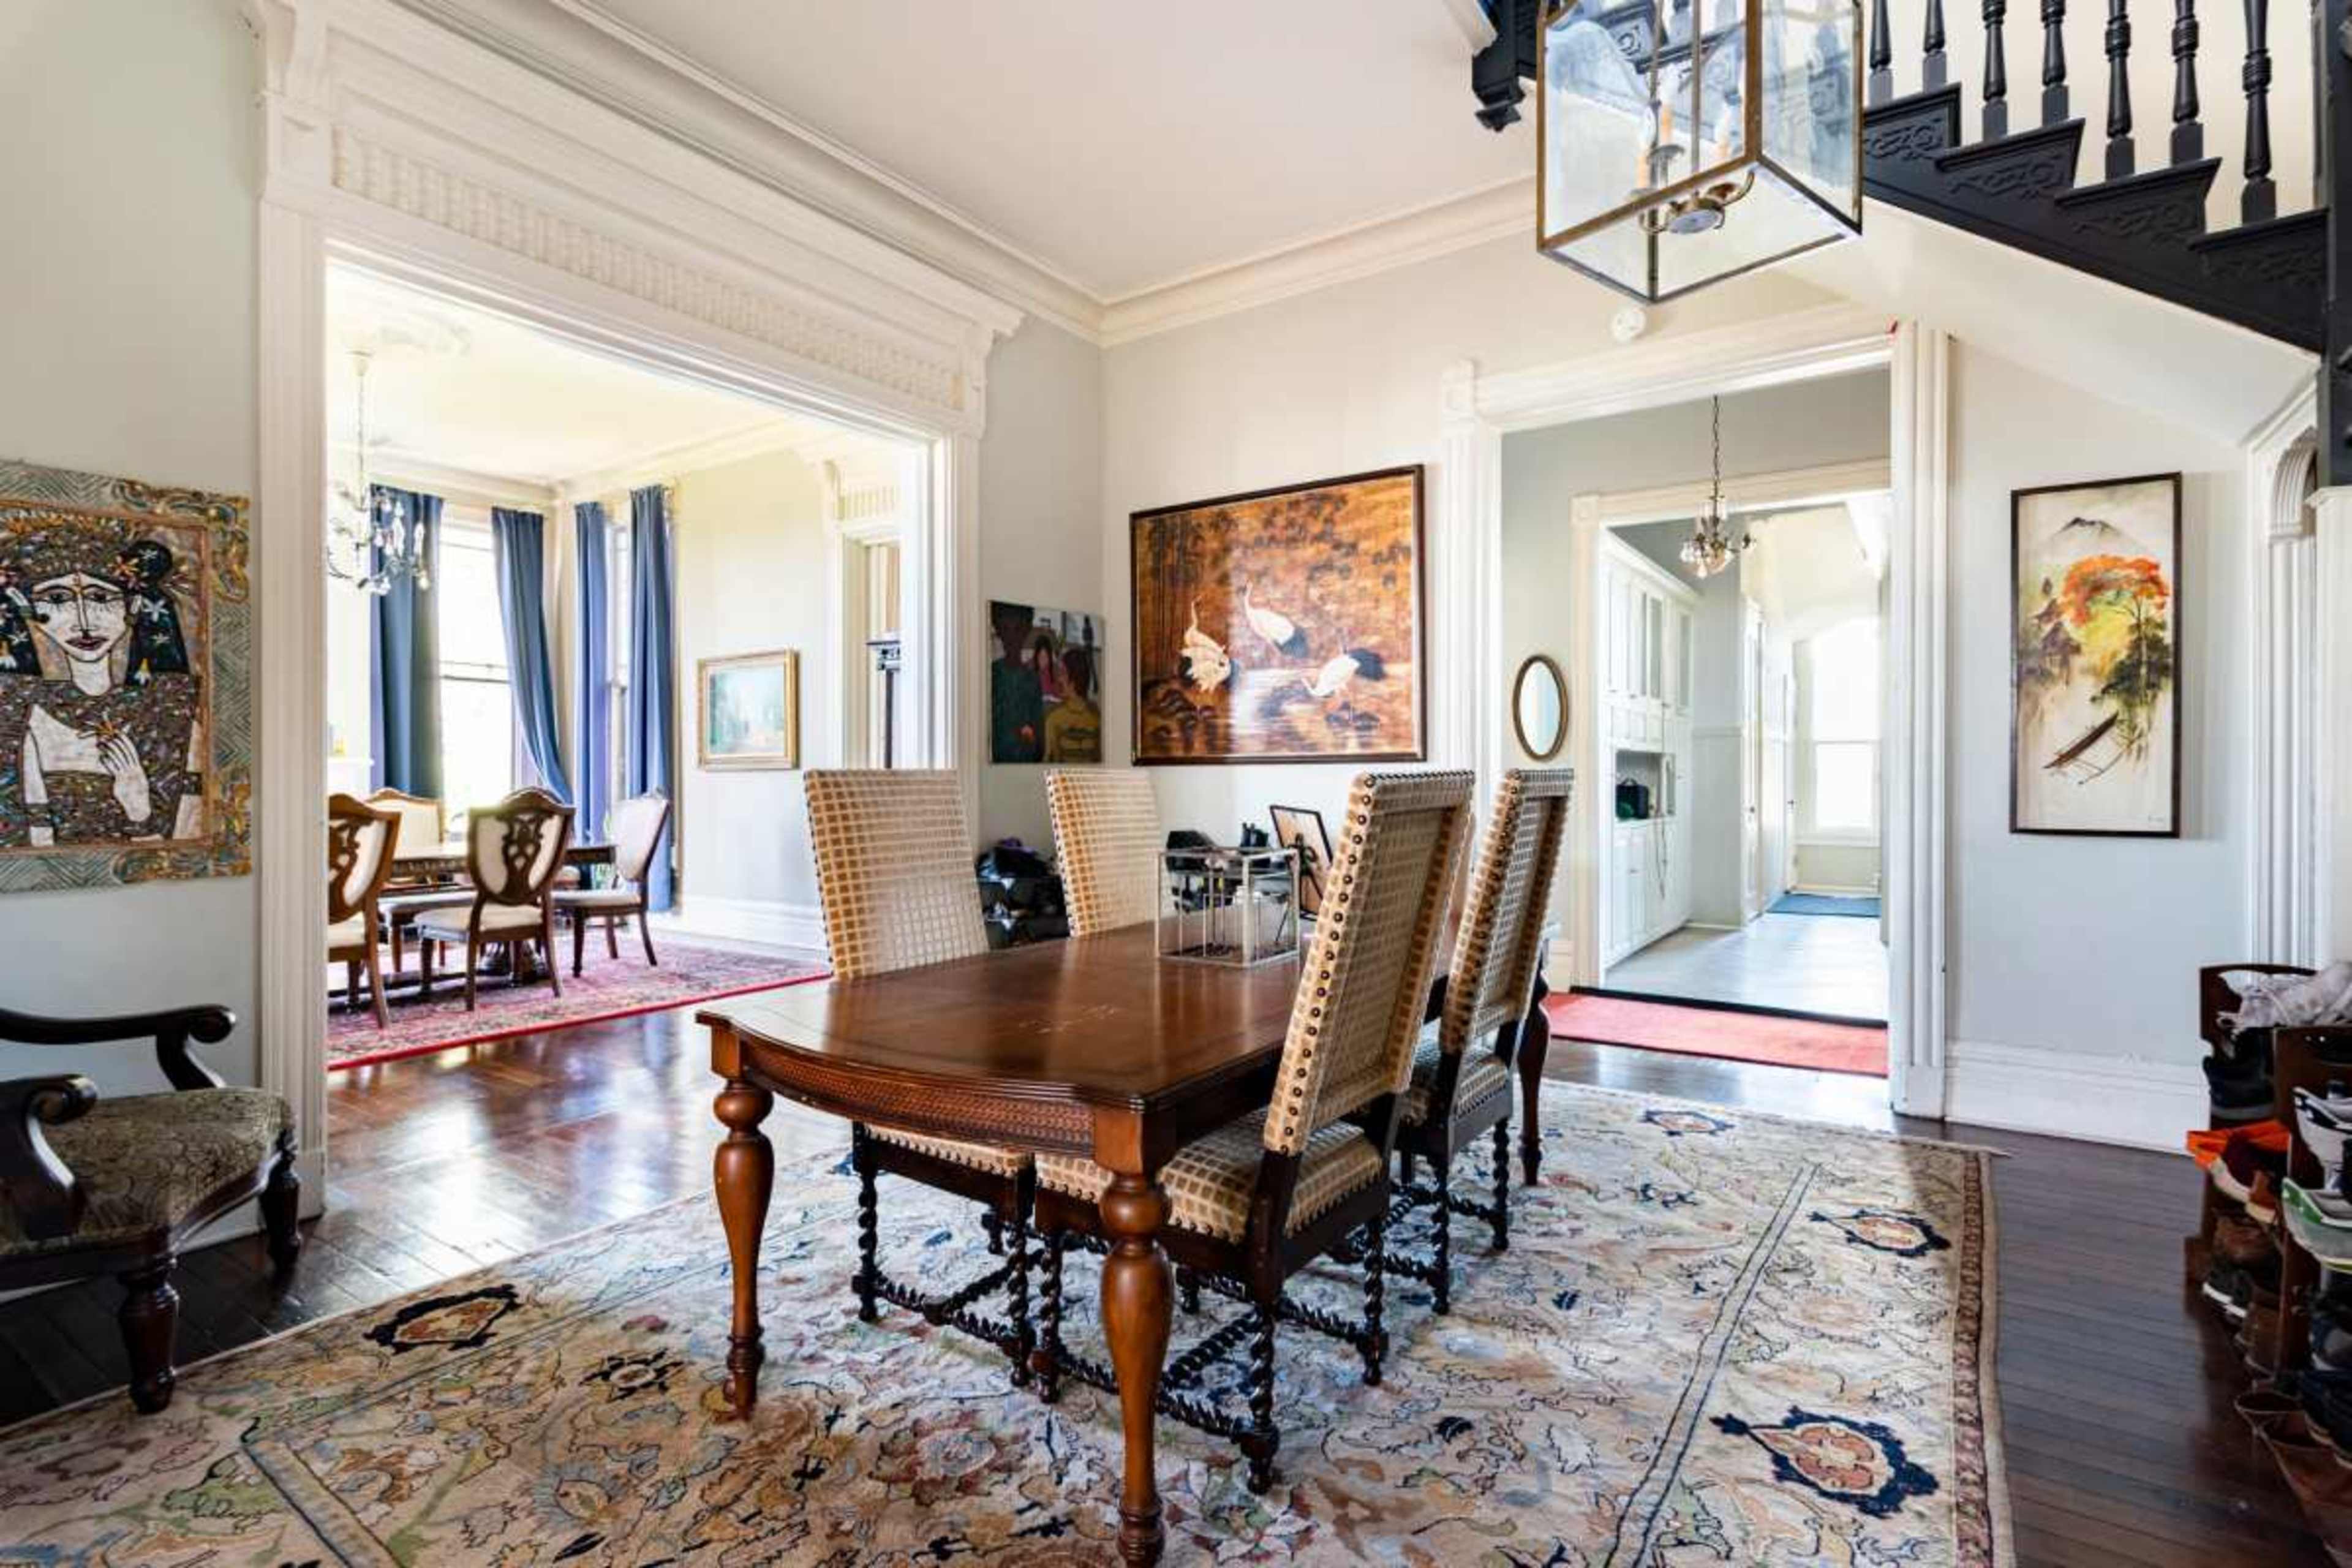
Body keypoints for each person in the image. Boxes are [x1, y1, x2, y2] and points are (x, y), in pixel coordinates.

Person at [0, 522, 203, 847]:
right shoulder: (26, 719)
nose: (83, 621)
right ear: (29, 608)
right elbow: (35, 855)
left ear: (132, 606)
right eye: (57, 598)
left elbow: (185, 849)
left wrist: (138, 809)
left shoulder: (174, 720)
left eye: (100, 597)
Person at [990, 601, 1045, 763]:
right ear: (999, 632)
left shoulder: (1033, 680)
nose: (1012, 638)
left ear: (1026, 631)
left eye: (1018, 630)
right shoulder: (991, 674)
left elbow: (1039, 737)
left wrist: (1031, 738)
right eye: (1006, 630)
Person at [1042, 646, 1101, 763]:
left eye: (1063, 673)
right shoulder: (1096, 716)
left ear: (1075, 678)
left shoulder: (1054, 718)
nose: (1059, 679)